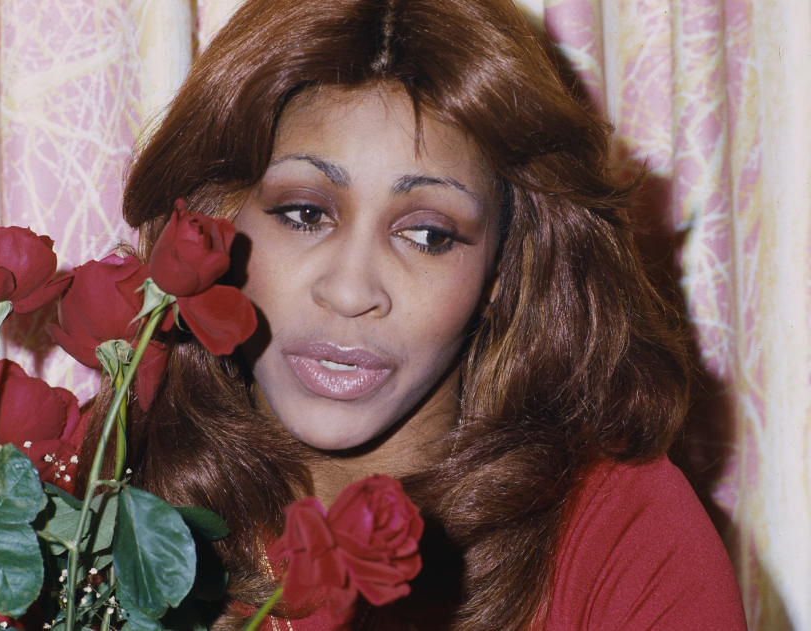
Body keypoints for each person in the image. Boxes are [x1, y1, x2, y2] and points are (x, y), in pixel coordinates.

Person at [80, 0, 749, 628]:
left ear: (504, 267)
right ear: (216, 218)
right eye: (305, 214)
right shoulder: (96, 502)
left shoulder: (624, 538)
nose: (350, 291)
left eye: (428, 234)